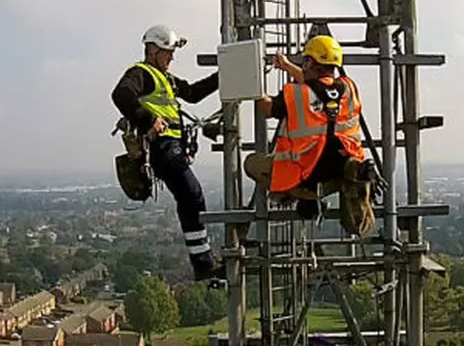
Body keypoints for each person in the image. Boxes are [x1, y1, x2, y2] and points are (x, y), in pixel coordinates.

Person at [111, 24, 225, 281]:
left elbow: (193, 94)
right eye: (167, 52)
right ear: (152, 50)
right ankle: (203, 262)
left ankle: (203, 262)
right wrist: (148, 119)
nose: (172, 57)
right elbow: (121, 95)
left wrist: (225, 74)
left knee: (191, 197)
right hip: (161, 148)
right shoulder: (140, 73)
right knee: (192, 195)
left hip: (172, 148)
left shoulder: (167, 79)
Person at [244, 34, 378, 235]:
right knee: (342, 165)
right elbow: (319, 88)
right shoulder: (348, 88)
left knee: (251, 164)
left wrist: (251, 81)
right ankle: (348, 183)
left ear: (309, 62)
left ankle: (306, 196)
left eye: (306, 60)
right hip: (341, 165)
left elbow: (267, 108)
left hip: (307, 169)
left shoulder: (296, 94)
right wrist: (288, 66)